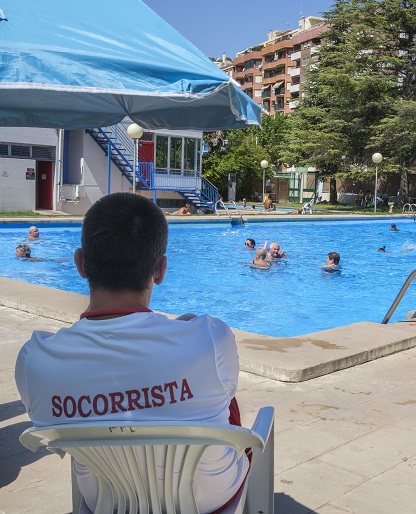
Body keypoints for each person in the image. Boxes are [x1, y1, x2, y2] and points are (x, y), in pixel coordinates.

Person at [14, 193, 247, 514]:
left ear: (80, 263)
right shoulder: (209, 339)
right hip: (208, 499)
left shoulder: (35, 361)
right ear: (160, 270)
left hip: (106, 500)